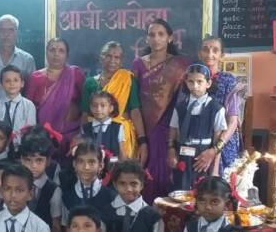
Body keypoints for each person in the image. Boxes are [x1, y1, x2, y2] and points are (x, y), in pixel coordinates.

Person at [131, 19, 190, 202]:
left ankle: (167, 216)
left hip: (169, 129)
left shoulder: (180, 65)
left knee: (168, 175)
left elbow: (184, 101)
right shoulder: (138, 65)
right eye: (152, 34)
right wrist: (141, 138)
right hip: (143, 129)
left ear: (169, 38)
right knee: (144, 176)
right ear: (147, 39)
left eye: (161, 34)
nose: (156, 38)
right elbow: (134, 103)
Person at [80, 41, 148, 163]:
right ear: (101, 57)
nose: (112, 60)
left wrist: (142, 141)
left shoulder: (127, 79)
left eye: (117, 57)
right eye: (108, 56)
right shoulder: (90, 83)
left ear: (121, 61)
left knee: (121, 168)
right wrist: (84, 139)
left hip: (122, 135)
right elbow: (85, 115)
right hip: (95, 133)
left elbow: (135, 112)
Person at [168, 64, 227, 191]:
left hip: (203, 156)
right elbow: (173, 130)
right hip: (183, 154)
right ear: (186, 82)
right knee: (181, 190)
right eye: (191, 81)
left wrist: (214, 164)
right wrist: (171, 150)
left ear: (208, 83)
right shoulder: (180, 107)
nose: (195, 86)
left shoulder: (216, 109)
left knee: (202, 190)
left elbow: (218, 138)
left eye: (200, 82)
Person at [26, 38, 85, 155]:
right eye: (52, 50)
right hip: (44, 137)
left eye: (61, 50)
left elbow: (85, 105)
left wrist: (82, 134)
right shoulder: (35, 77)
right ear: (46, 52)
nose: (56, 54)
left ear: (67, 55)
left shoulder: (75, 74)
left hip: (72, 136)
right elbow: (28, 108)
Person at [198, 36, 244, 172]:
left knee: (219, 182)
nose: (210, 54)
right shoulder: (192, 79)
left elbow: (232, 121)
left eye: (215, 50)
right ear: (199, 54)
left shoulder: (228, 80)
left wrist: (215, 149)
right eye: (206, 49)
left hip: (222, 143)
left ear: (221, 55)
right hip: (197, 138)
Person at [19, 126, 63, 232]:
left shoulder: (54, 190)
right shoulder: (17, 185)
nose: (33, 166)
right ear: (21, 160)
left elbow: (56, 225)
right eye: (28, 160)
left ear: (48, 161)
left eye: (39, 160)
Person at [59, 138, 116, 232]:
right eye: (81, 161)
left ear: (101, 165)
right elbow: (67, 231)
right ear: (74, 164)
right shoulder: (67, 197)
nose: (86, 167)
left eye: (91, 162)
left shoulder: (111, 197)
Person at [0, 14, 36, 103]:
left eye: (11, 30)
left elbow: (31, 90)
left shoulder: (27, 60)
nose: (6, 34)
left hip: (19, 109)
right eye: (2, 30)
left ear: (17, 32)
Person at [0, 65, 37, 148]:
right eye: (7, 81)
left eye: (15, 80)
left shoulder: (29, 105)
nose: (12, 83)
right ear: (1, 85)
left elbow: (31, 131)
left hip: (21, 148)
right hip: (0, 148)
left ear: (22, 83)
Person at [81, 91, 126, 161]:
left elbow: (122, 152)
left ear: (111, 108)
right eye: (95, 106)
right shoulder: (85, 128)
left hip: (112, 165)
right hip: (92, 165)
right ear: (90, 108)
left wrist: (124, 165)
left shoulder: (117, 128)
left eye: (103, 106)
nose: (98, 109)